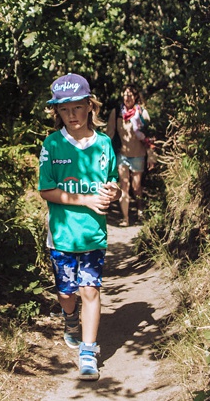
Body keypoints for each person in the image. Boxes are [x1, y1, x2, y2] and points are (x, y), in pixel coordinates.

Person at [37, 72, 118, 380]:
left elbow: (112, 183)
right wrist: (83, 200)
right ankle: (69, 318)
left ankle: (88, 352)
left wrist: (114, 192)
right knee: (67, 293)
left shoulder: (104, 145)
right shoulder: (52, 145)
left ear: (89, 106)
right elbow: (46, 190)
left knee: (90, 290)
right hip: (61, 236)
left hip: (93, 235)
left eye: (77, 107)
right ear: (57, 112)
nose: (71, 115)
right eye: (64, 109)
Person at [106, 84, 152, 226]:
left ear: (136, 97)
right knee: (124, 186)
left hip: (138, 154)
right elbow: (109, 133)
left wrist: (151, 154)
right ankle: (125, 218)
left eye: (130, 95)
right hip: (122, 155)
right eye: (125, 95)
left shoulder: (142, 113)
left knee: (136, 186)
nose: (127, 98)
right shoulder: (117, 113)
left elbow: (149, 135)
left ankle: (140, 209)